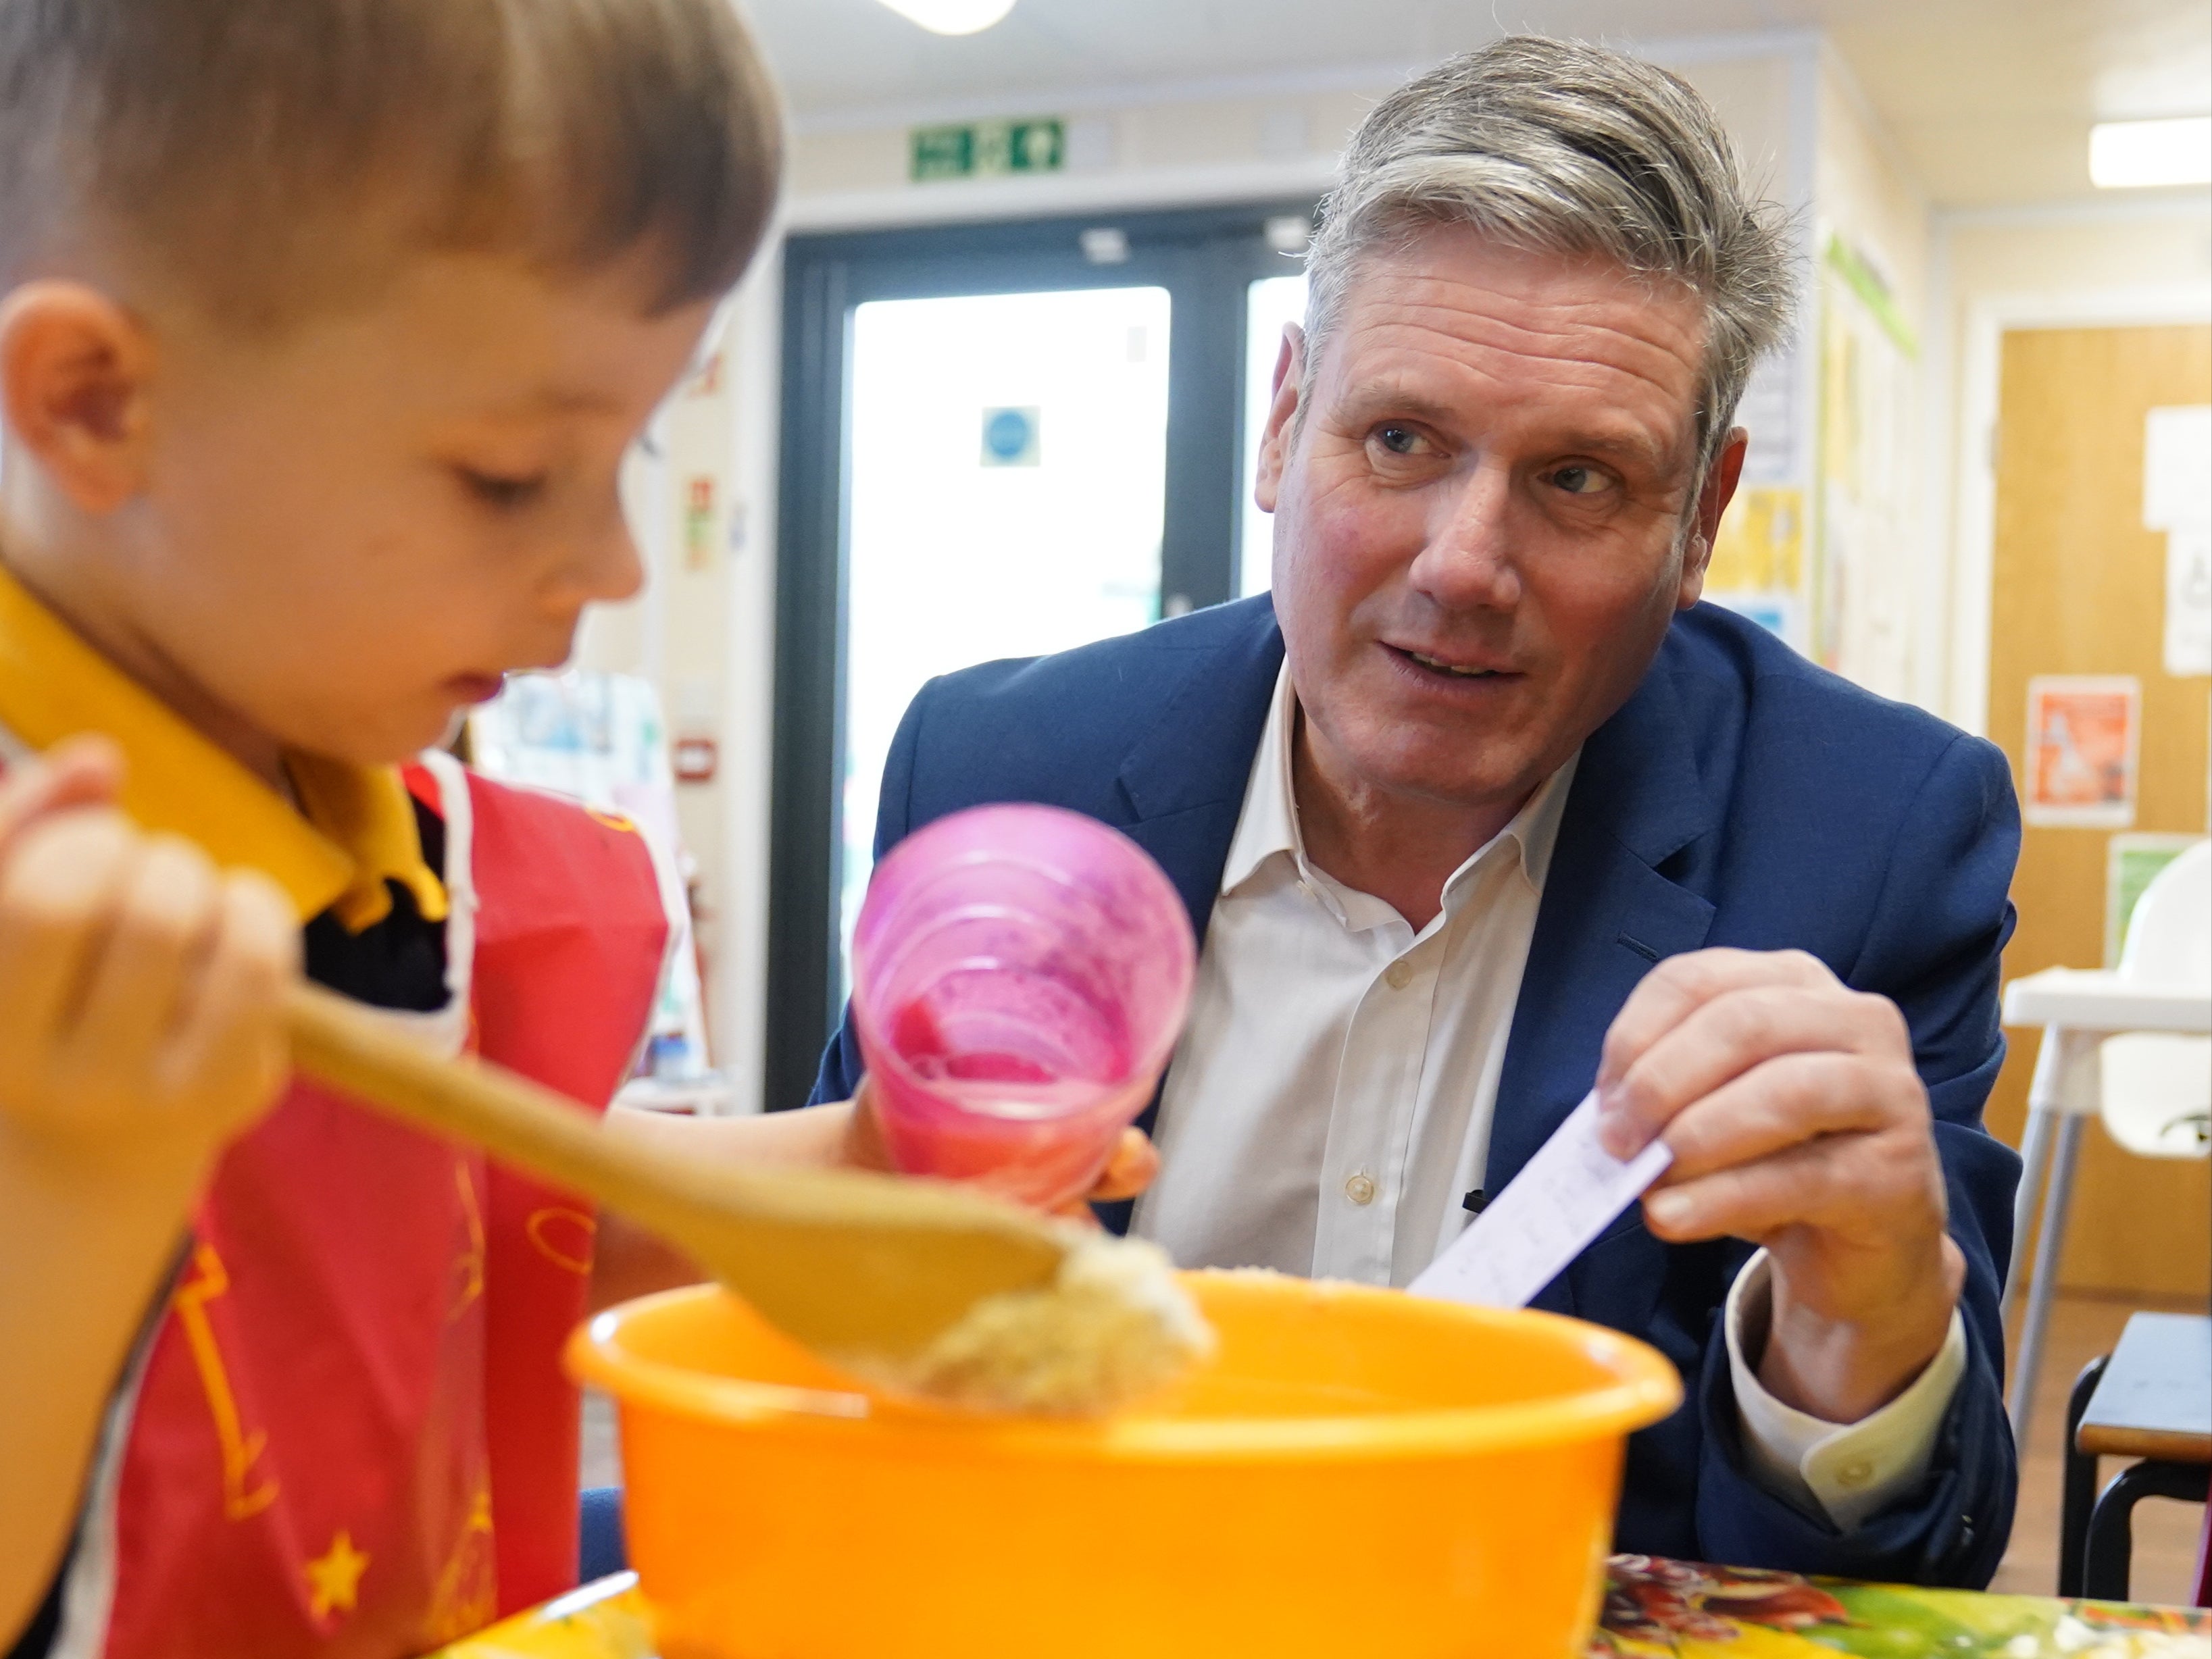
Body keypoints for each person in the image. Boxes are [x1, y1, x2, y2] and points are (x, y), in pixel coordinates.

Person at [0, 4, 1149, 1653]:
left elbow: (453, 1214)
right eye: (509, 473)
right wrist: (61, 1183)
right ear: (98, 403)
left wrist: (855, 1164)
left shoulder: (366, 812)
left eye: (634, 450)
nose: (615, 565)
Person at [814, 36, 2023, 1587]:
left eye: (1578, 479)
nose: (1462, 560)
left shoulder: (1865, 837)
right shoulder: (999, 768)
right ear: (1281, 422)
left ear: (1700, 516)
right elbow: (840, 1332)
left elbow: (1905, 1572)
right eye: (1399, 441)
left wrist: (1862, 1317)